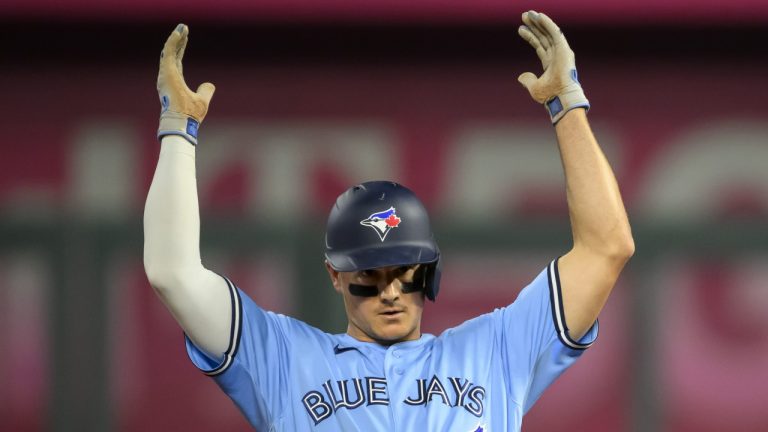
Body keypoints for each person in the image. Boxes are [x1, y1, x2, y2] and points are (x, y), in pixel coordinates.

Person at [144, 10, 634, 431]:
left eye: (405, 272)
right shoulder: (282, 357)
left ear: (429, 272)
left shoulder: (495, 349)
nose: (391, 292)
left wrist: (567, 104)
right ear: (335, 275)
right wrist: (177, 129)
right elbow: (173, 272)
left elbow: (607, 248)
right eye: (370, 277)